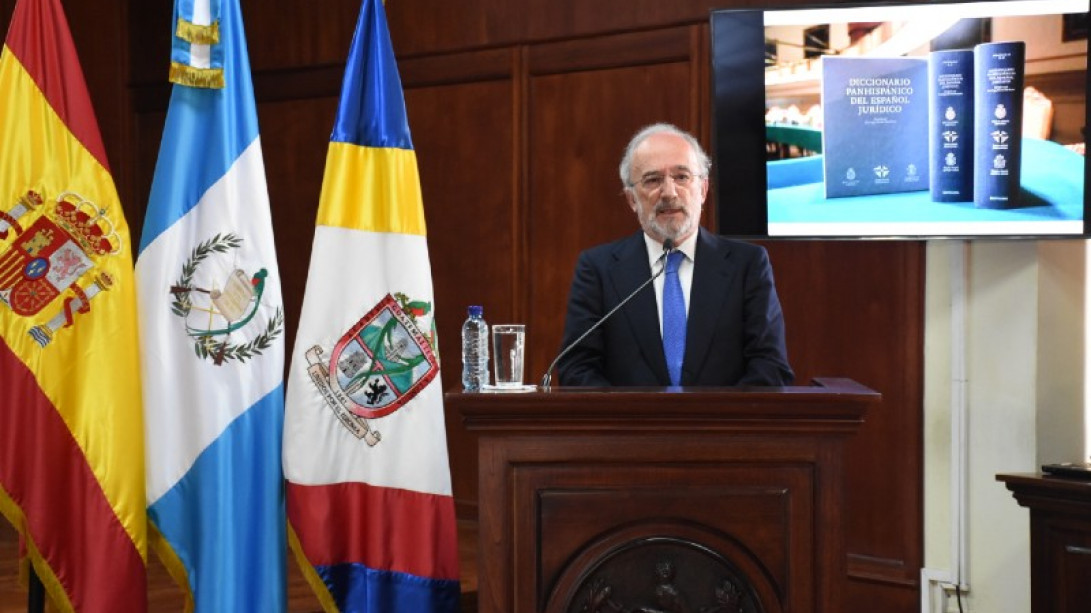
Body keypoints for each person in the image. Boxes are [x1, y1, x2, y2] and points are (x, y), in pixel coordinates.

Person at [556, 123, 794, 387]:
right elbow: (576, 369)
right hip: (631, 427)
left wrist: (716, 424)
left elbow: (770, 367)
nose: (669, 193)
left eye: (681, 177)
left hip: (724, 426)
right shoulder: (598, 269)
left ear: (703, 190)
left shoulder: (747, 265)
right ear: (632, 199)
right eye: (653, 180)